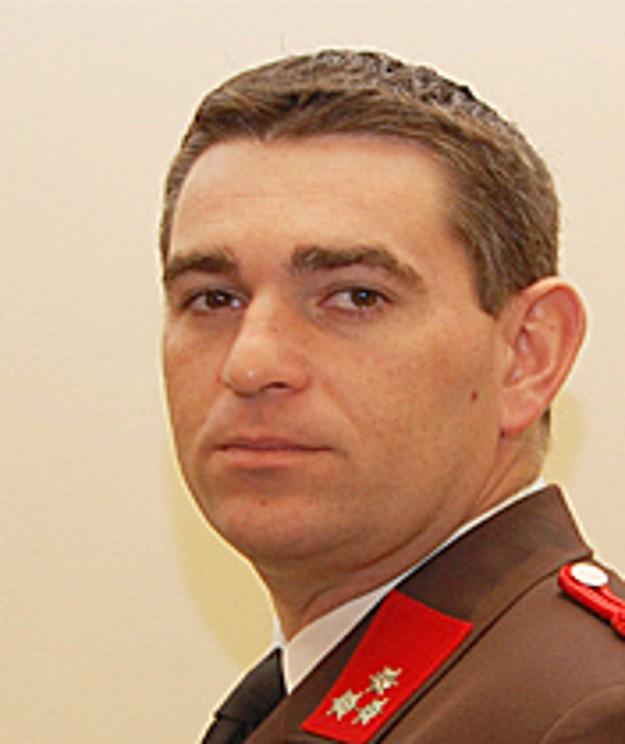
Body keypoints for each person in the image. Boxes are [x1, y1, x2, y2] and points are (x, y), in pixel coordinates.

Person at [160, 49, 625, 742]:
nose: (250, 364)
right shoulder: (321, 684)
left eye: (355, 297)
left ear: (527, 356)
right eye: (213, 298)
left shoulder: (593, 714)